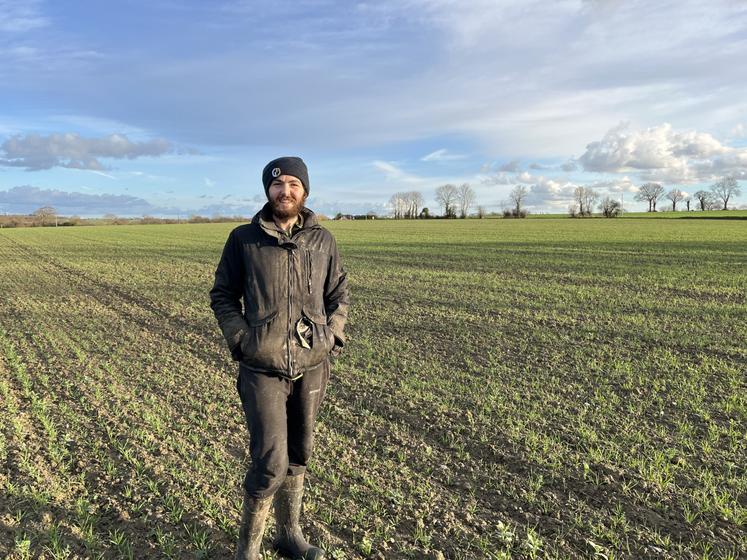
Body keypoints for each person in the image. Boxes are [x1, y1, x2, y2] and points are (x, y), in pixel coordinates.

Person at [210, 156, 349, 560]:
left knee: (300, 452)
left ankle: (289, 534)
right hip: (262, 366)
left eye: (292, 183)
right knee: (270, 461)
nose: (284, 191)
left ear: (305, 190)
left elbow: (339, 293)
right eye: (276, 184)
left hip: (312, 365)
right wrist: (242, 340)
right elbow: (222, 295)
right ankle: (247, 551)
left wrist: (331, 337)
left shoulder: (323, 240)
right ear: (267, 190)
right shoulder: (243, 239)